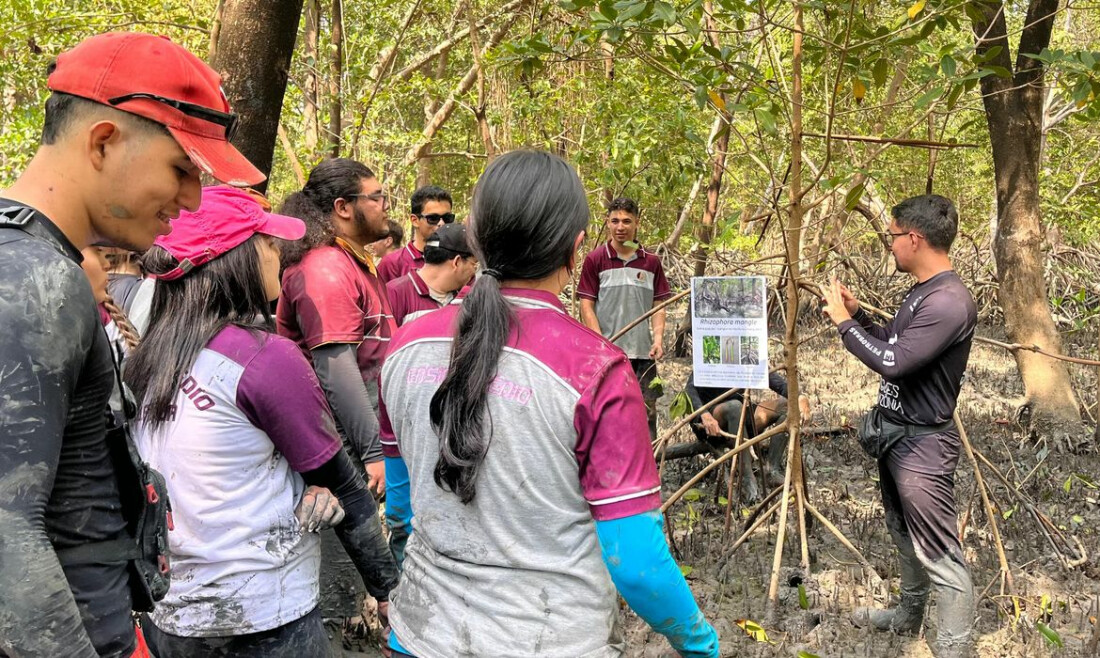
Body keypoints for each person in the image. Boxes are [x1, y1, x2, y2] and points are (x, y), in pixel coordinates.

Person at [379, 150, 719, 658]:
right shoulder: (597, 370)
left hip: (419, 635)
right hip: (549, 640)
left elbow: (402, 506)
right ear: (575, 247)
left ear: (477, 240)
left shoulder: (403, 347)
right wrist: (699, 643)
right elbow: (637, 563)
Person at [0, 31, 262, 658]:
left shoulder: (39, 263)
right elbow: (7, 528)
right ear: (103, 141)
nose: (193, 199)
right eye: (181, 169)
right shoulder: (33, 278)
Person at [124, 186, 398, 657]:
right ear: (235, 258)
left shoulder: (147, 358)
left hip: (171, 613)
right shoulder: (264, 359)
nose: (278, 254)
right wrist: (387, 587)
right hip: (262, 614)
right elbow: (343, 484)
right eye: (267, 243)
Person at [821, 194, 977, 658]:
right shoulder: (922, 290)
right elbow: (895, 340)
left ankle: (953, 647)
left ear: (915, 237)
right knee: (901, 531)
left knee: (941, 551)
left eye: (892, 236)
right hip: (894, 435)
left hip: (922, 446)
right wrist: (862, 317)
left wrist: (845, 324)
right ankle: (909, 614)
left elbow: (895, 362)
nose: (889, 245)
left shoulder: (949, 301)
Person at [278, 158, 395, 493]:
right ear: (343, 207)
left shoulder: (350, 261)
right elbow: (336, 370)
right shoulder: (325, 269)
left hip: (360, 433)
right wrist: (374, 451)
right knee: (346, 542)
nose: (385, 206)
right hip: (341, 441)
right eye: (376, 197)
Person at [578, 197, 671, 439]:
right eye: (615, 221)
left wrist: (658, 339)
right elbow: (586, 304)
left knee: (648, 412)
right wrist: (600, 341)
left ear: (637, 223)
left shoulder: (651, 261)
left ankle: (650, 466)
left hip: (642, 353)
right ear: (607, 223)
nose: (621, 227)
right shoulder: (595, 259)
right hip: (608, 354)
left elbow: (658, 303)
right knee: (607, 413)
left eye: (627, 221)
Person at [683, 372, 810, 502]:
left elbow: (771, 377)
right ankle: (747, 478)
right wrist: (703, 414)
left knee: (786, 404)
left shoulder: (743, 356)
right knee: (734, 407)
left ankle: (772, 469)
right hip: (711, 421)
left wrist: (799, 397)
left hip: (742, 415)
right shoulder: (709, 355)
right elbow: (689, 390)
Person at [386, 222, 478, 326]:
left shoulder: (466, 297)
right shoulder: (395, 294)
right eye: (474, 264)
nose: (474, 271)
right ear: (456, 262)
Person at [377, 184, 454, 283]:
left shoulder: (457, 260)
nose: (441, 224)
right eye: (433, 218)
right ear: (415, 220)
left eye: (447, 218)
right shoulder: (392, 264)